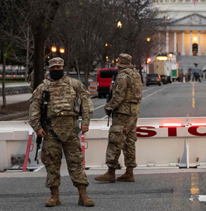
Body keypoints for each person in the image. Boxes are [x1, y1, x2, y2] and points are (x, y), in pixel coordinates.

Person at [29, 58, 94, 207]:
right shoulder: (43, 87)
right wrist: (37, 127)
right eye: (54, 67)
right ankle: (54, 196)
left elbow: (86, 103)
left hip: (71, 130)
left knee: (76, 162)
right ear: (49, 69)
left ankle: (83, 195)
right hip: (50, 131)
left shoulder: (75, 84)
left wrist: (85, 121)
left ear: (63, 68)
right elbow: (34, 108)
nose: (56, 69)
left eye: (59, 67)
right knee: (51, 164)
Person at [95, 53, 143, 183]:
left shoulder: (123, 76)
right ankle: (129, 171)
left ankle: (111, 172)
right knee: (129, 141)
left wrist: (109, 106)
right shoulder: (136, 75)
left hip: (122, 112)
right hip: (133, 111)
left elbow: (119, 96)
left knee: (115, 140)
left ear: (120, 64)